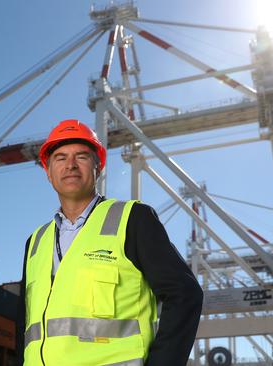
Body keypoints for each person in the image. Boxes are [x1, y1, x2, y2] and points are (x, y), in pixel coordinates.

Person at [16, 119, 203, 366]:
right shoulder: (36, 242)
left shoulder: (133, 220)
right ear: (48, 172)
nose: (70, 165)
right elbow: (24, 327)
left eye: (81, 157)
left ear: (98, 167)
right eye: (60, 158)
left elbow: (185, 294)